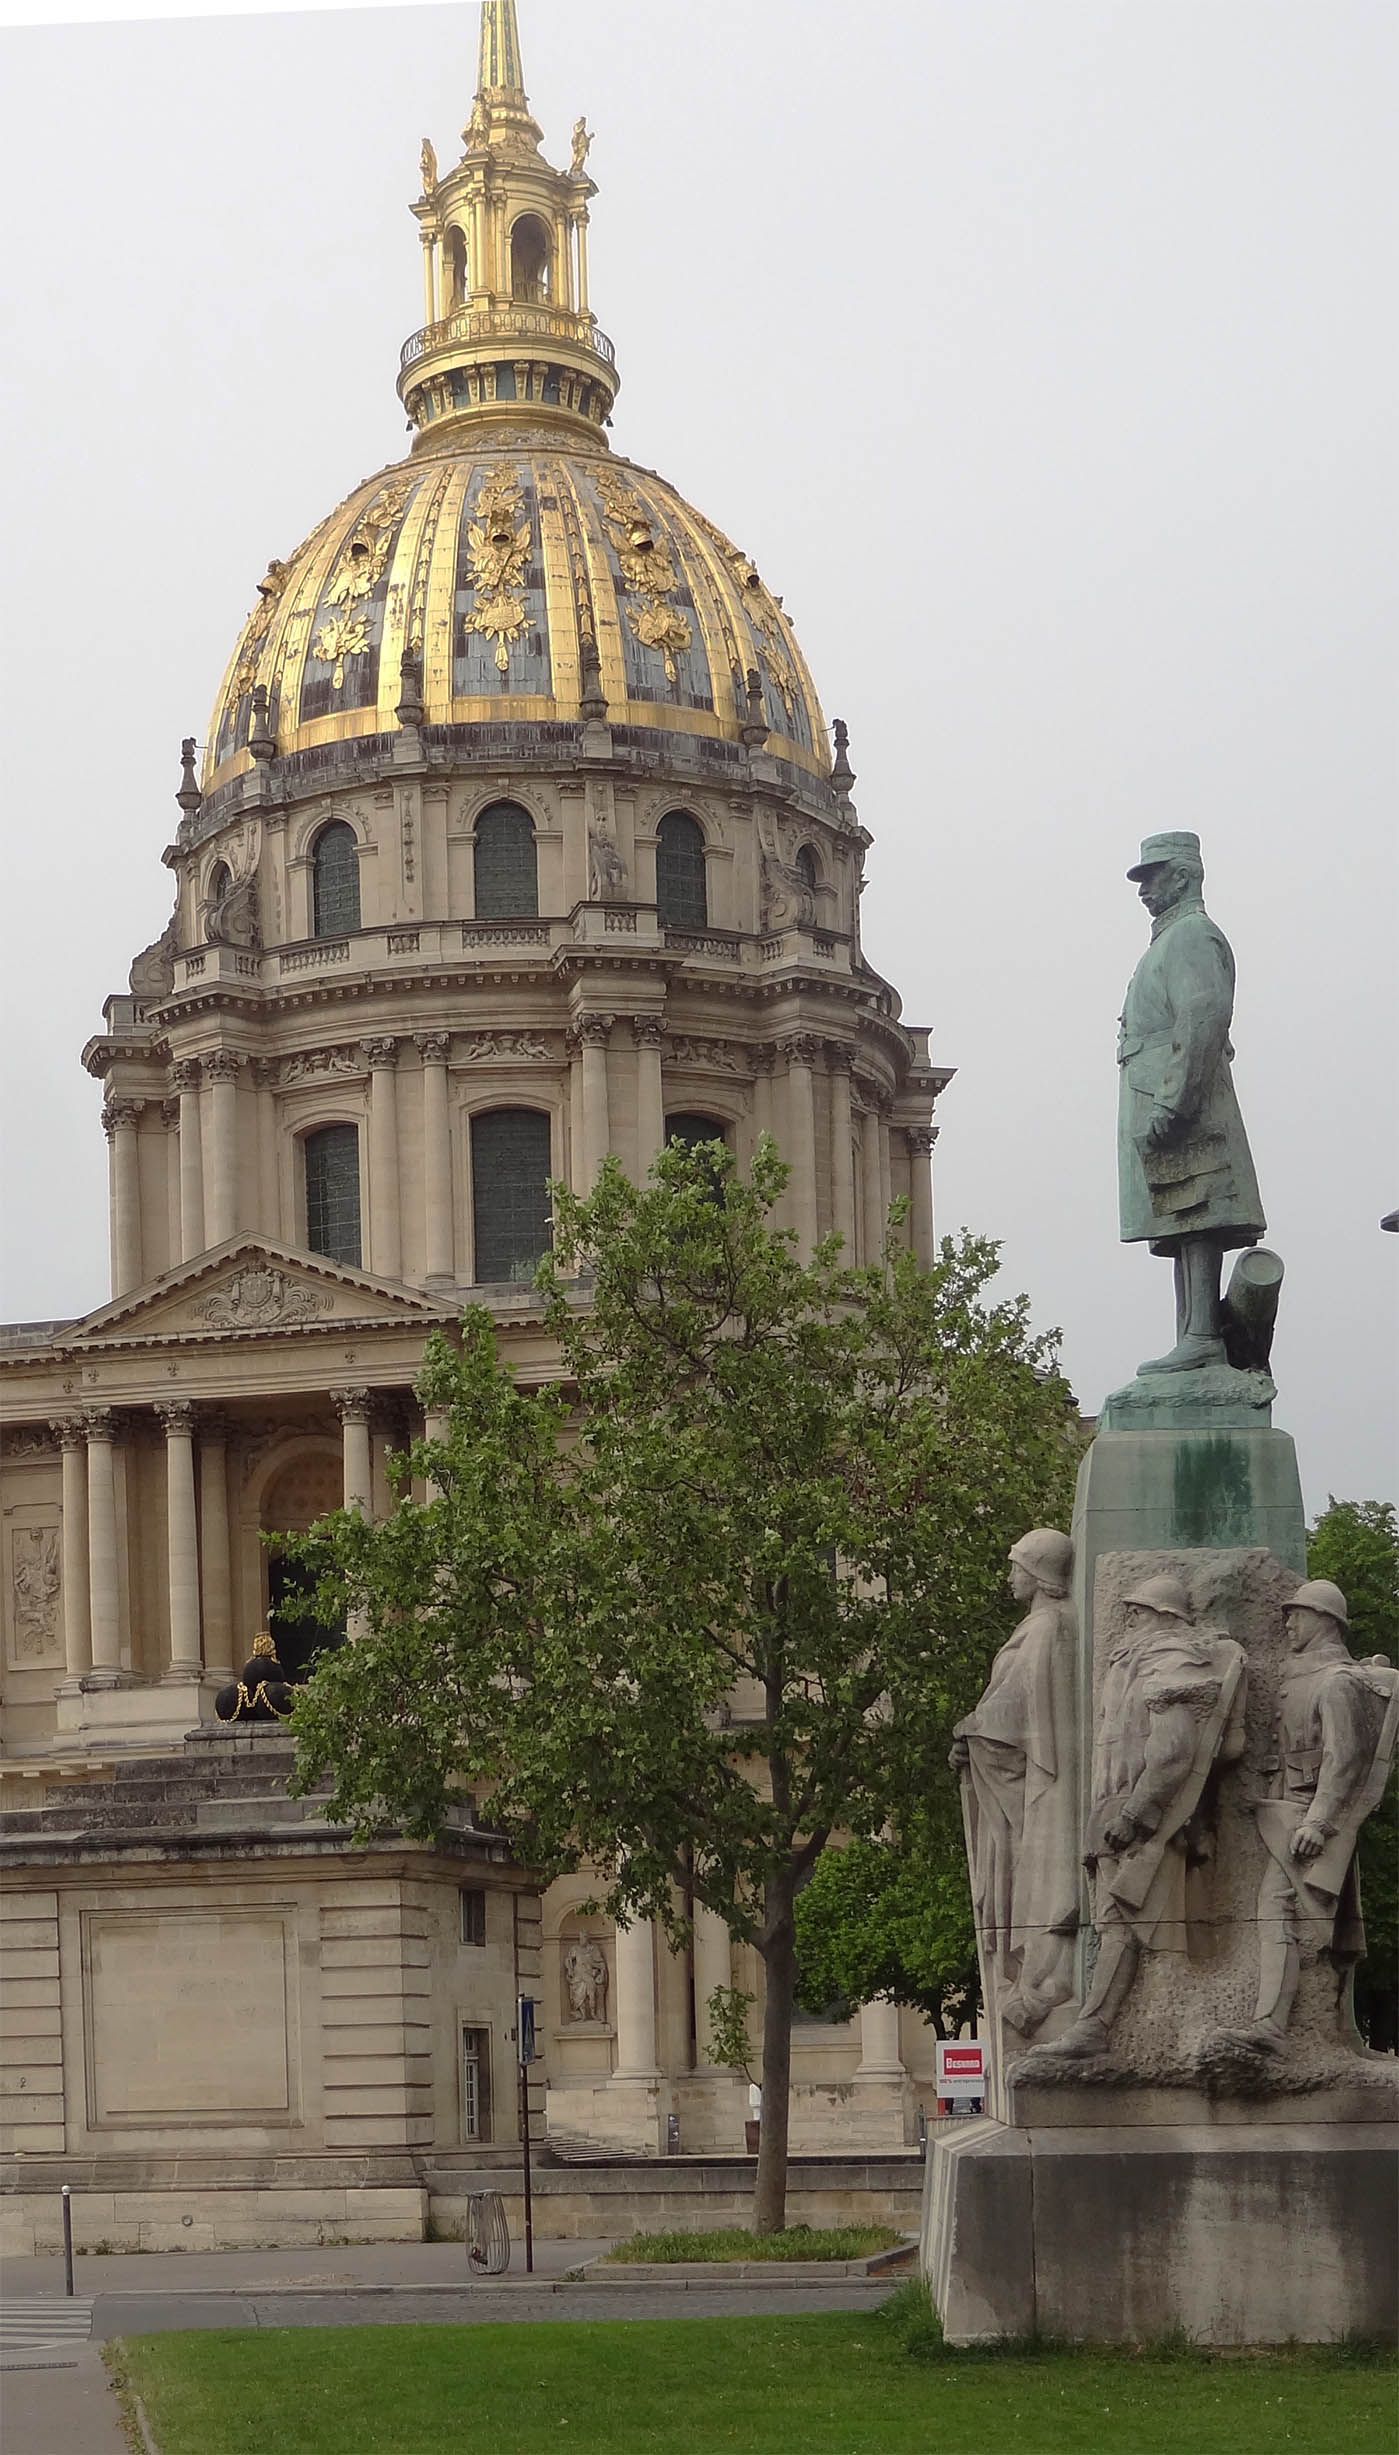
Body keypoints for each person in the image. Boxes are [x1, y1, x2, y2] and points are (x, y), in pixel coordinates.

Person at [1054, 1575, 1246, 2058]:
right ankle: (1114, 2028)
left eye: (1138, 1612)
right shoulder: (1133, 1661)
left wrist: (1137, 1812)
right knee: (1121, 1926)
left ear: (1165, 1615)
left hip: (1142, 1816)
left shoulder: (1172, 1661)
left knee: (1139, 1928)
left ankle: (1104, 2029)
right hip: (1115, 1809)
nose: (1129, 1620)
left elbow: (1173, 1753)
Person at [1224, 1580, 1398, 2052]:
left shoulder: (1338, 1681)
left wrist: (1318, 1822)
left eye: (1296, 1614)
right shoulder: (1303, 1675)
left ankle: (1272, 2026)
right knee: (1337, 1923)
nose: (1287, 1623)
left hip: (1305, 1816)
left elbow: (1345, 1759)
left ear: (1325, 1619)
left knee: (1277, 1907)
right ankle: (1342, 2032)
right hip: (1283, 1810)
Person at [1118, 832, 1265, 1374]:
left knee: (1197, 1212)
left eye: (1152, 877)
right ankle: (1194, 1333)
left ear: (1182, 877)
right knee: (1181, 1219)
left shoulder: (1191, 936)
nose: (1143, 889)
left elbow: (1202, 1019)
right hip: (1161, 1092)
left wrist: (1172, 1104)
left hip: (1180, 1100)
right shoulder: (1170, 940)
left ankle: (1202, 1333)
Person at [951, 1529, 1080, 2036]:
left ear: (1039, 1574)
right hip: (1026, 1779)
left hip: (1037, 1787)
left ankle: (1043, 1980)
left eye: (1017, 1566)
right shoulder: (1043, 1626)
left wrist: (971, 1731)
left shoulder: (1047, 1628)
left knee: (1036, 1881)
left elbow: (1019, 1716)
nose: (1009, 1577)